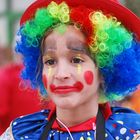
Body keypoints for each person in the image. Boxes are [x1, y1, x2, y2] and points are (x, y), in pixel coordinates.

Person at [1, 0, 140, 139]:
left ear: (105, 70)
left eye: (76, 60)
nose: (61, 74)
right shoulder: (20, 134)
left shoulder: (131, 133)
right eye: (50, 61)